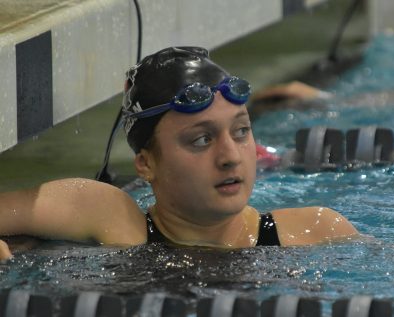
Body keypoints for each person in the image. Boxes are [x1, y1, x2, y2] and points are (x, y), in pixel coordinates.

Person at [0, 47, 358, 260]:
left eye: (241, 131)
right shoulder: (110, 216)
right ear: (146, 163)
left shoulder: (316, 230)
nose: (231, 156)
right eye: (201, 140)